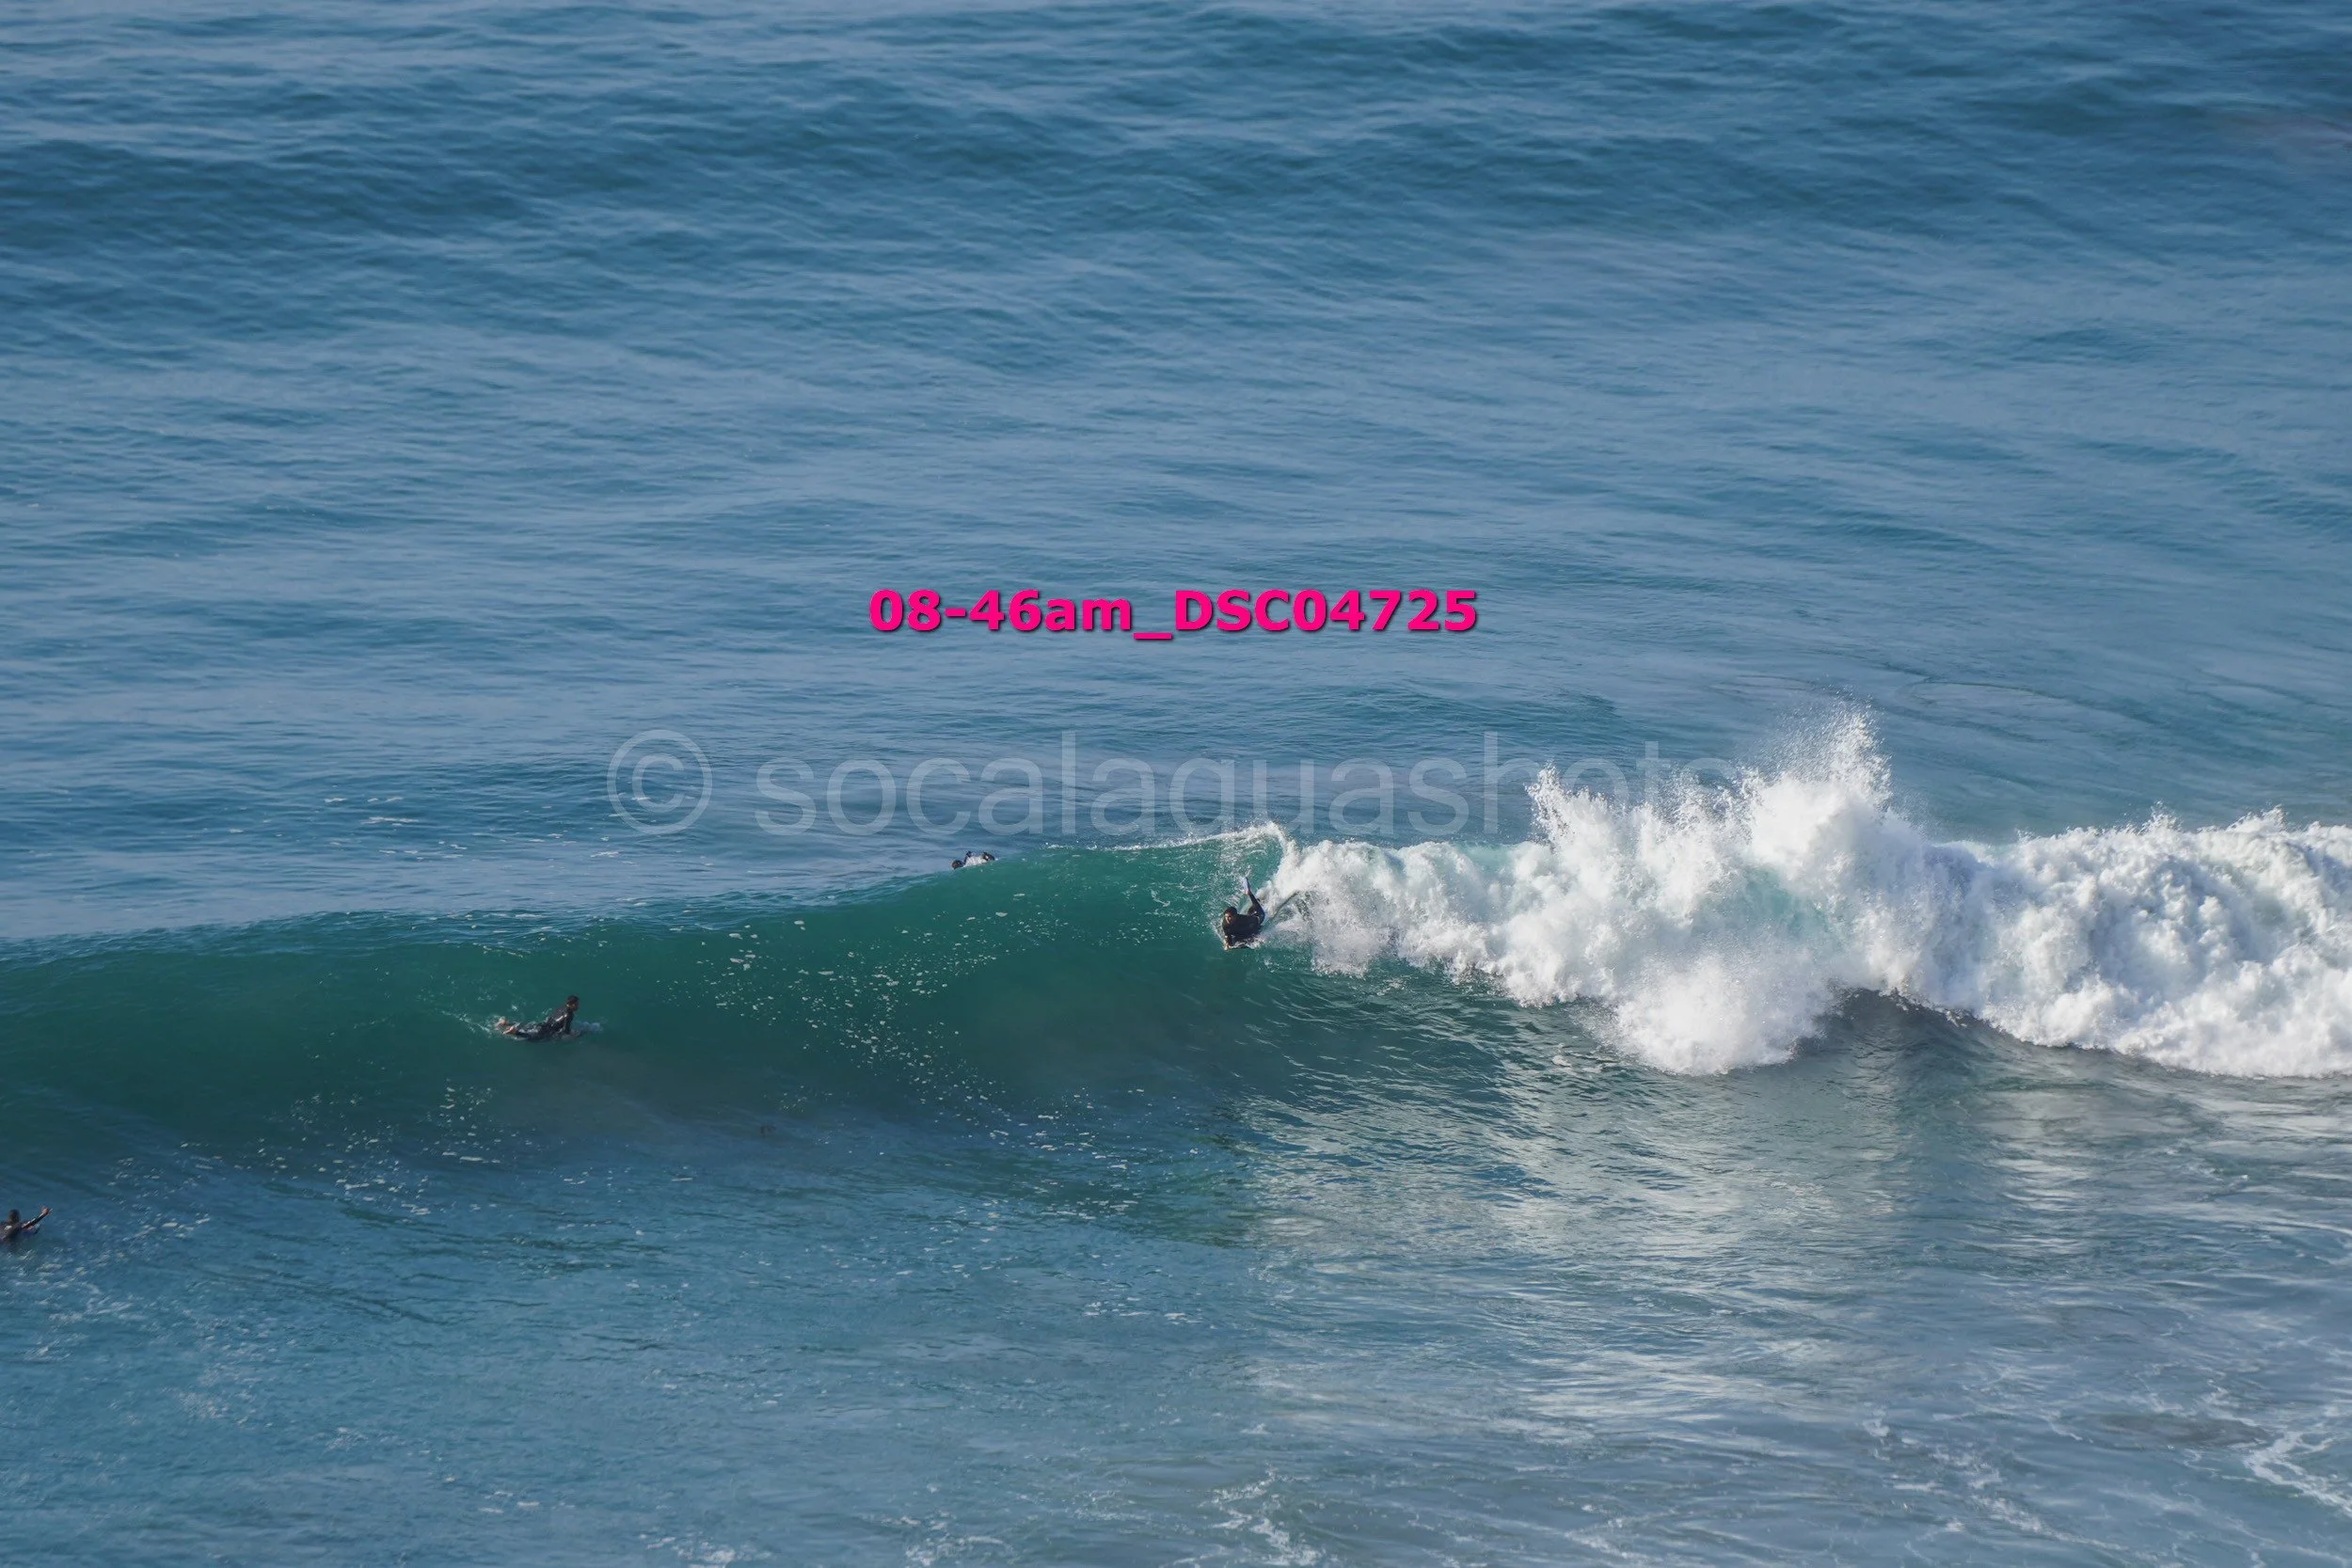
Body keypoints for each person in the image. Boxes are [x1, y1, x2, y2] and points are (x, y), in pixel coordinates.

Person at [501, 996, 580, 1040]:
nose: (578, 1006)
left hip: (543, 1024)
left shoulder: (561, 1007)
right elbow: (566, 1030)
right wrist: (574, 1035)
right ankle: (514, 1032)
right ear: (572, 1004)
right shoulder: (569, 1014)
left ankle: (506, 1023)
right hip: (548, 1030)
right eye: (576, 1004)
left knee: (527, 1027)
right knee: (533, 1038)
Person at [1220, 879, 1266, 948]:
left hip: (1258, 917)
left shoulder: (1244, 919)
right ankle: (1257, 901)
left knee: (1258, 911)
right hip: (1245, 923)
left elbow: (1257, 923)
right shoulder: (1225, 924)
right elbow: (1227, 935)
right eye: (1226, 917)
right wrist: (1227, 944)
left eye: (1230, 917)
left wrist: (1255, 938)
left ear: (1235, 916)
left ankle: (1250, 893)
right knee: (1232, 942)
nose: (1227, 919)